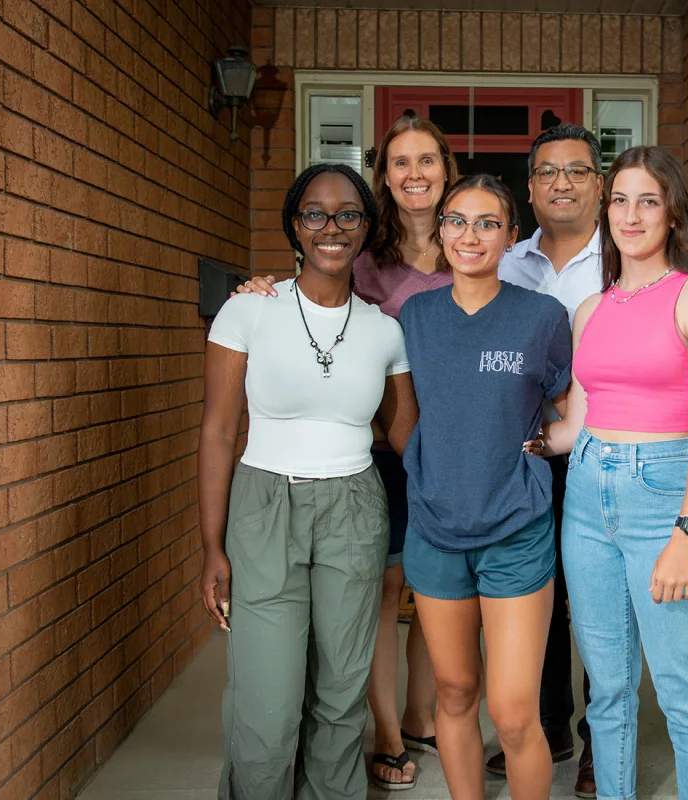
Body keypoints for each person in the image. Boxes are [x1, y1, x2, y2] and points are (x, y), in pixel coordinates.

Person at [232, 114, 455, 790]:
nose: (414, 173)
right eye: (399, 162)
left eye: (427, 160)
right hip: (354, 456)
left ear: (446, 167)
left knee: (418, 605)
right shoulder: (363, 256)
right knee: (369, 606)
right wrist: (258, 291)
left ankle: (415, 722)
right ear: (385, 176)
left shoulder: (479, 245)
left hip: (422, 457)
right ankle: (385, 736)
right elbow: (314, 302)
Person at [199, 163, 417, 800]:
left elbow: (407, 436)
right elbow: (217, 431)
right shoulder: (248, 313)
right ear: (294, 226)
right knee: (267, 701)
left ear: (366, 228)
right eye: (315, 214)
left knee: (341, 691)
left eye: (348, 214)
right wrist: (212, 545)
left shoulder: (384, 331)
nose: (331, 227)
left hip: (354, 506)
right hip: (264, 502)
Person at [540, 146, 688, 800]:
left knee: (683, 691)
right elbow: (575, 424)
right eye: (621, 200)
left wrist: (686, 535)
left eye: (648, 201)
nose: (631, 215)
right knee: (608, 691)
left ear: (672, 214)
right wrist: (499, 441)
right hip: (585, 495)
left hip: (663, 497)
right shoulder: (591, 312)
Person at [401, 174, 571, 800]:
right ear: (440, 231)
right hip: (436, 529)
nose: (470, 235)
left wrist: (549, 445)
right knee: (454, 692)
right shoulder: (413, 317)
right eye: (457, 221)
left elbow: (570, 406)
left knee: (513, 710)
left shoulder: (542, 318)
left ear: (510, 235)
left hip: (515, 531)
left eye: (488, 223)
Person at [493, 123, 604, 799]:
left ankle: (601, 739)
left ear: (598, 183)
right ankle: (545, 725)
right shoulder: (506, 262)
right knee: (535, 592)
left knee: (595, 596)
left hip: (603, 448)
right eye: (548, 172)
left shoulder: (623, 260)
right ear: (530, 189)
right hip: (527, 451)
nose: (562, 182)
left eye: (578, 171)